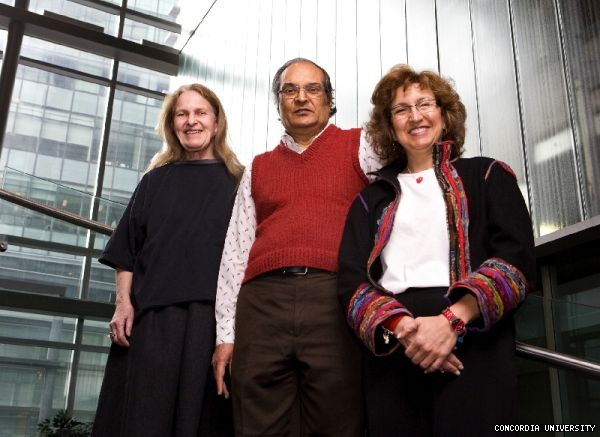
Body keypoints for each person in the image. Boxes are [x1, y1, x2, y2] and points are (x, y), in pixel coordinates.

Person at [337, 64, 536, 437]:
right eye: (401, 109)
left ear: (443, 114)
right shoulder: (370, 199)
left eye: (424, 104)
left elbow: (517, 260)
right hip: (395, 348)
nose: (415, 116)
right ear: (390, 126)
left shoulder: (488, 175)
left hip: (474, 343)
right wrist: (404, 330)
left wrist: (453, 321)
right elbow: (351, 283)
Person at [212, 58, 384, 436]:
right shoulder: (258, 166)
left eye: (313, 89)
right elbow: (236, 250)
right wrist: (226, 335)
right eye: (290, 90)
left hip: (334, 297)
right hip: (261, 304)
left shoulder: (362, 145)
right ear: (279, 103)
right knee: (258, 421)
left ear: (328, 99)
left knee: (338, 418)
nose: (301, 98)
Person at [92, 83, 243, 437]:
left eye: (200, 112)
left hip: (209, 323)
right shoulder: (153, 181)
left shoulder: (240, 182)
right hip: (151, 321)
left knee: (202, 420)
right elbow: (126, 250)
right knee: (143, 417)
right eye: (182, 114)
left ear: (217, 122)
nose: (191, 121)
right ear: (172, 124)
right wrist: (122, 303)